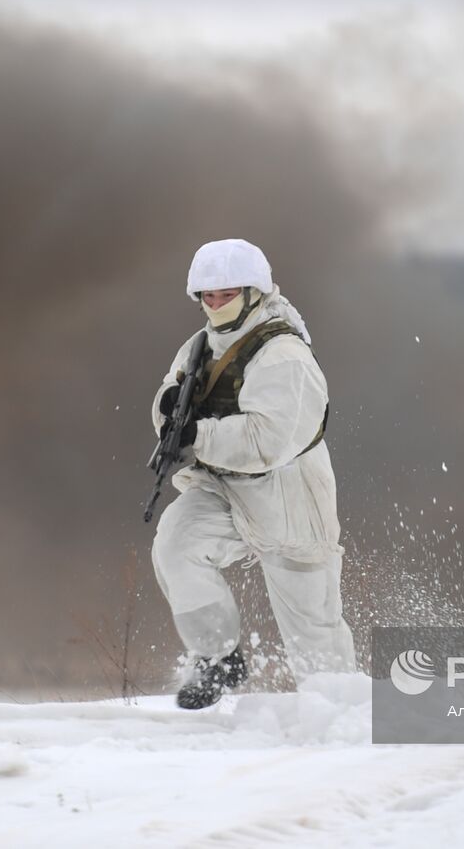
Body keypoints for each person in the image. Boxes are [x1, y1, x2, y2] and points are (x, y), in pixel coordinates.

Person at [149, 238, 357, 709]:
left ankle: (344, 722)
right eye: (208, 296)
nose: (216, 304)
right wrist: (167, 416)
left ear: (253, 292)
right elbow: (171, 403)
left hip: (289, 497)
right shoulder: (199, 346)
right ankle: (218, 656)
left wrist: (196, 436)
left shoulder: (282, 353)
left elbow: (269, 441)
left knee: (313, 633)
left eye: (227, 295)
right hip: (223, 485)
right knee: (177, 545)